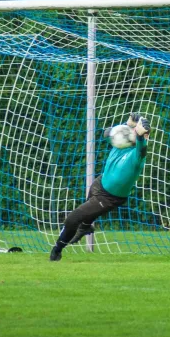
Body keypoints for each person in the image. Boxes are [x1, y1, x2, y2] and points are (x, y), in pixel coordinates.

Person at [49, 112, 151, 261]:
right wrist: (127, 124)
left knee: (72, 219)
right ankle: (86, 226)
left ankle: (57, 251)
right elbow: (109, 133)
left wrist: (142, 136)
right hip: (100, 182)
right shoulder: (123, 143)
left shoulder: (138, 158)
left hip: (109, 198)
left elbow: (142, 149)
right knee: (86, 212)